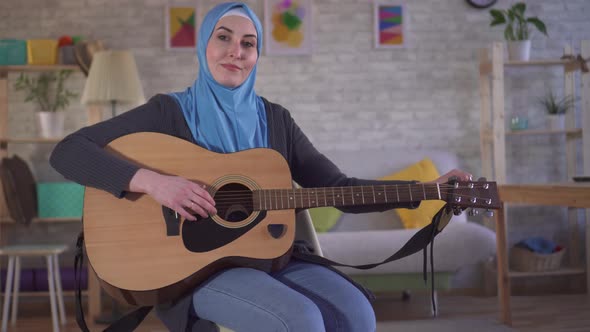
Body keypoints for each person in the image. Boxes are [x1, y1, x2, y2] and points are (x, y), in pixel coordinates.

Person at [50, 2, 472, 331]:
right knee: (300, 320)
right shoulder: (167, 113)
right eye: (224, 37)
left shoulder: (276, 120)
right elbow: (68, 150)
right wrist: (156, 183)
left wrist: (430, 188)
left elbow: (339, 187)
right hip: (195, 272)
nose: (236, 51)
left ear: (257, 54)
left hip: (277, 258)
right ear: (204, 45)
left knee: (359, 315)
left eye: (249, 43)